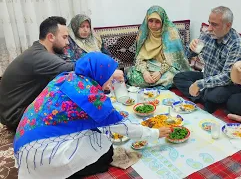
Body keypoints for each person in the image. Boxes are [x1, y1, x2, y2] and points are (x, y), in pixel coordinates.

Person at [13, 52, 172, 179]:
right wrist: (155, 133)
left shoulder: (67, 78)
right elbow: (123, 127)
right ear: (99, 75)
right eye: (109, 80)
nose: (110, 85)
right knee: (106, 151)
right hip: (41, 157)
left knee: (96, 132)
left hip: (23, 143)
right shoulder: (90, 96)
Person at [0, 16, 74, 131]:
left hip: (11, 112)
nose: (67, 42)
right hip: (16, 116)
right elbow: (71, 68)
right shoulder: (40, 56)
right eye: (64, 37)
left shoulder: (38, 51)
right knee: (72, 110)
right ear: (51, 37)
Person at [173, 6, 241, 113]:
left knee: (214, 94)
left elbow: (228, 77)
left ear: (228, 25)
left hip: (229, 85)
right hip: (208, 76)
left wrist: (199, 84)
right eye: (209, 23)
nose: (209, 28)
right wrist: (190, 48)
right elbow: (186, 56)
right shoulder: (208, 34)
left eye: (214, 24)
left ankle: (204, 97)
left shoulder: (237, 44)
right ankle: (204, 99)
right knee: (178, 78)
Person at [127, 5, 191, 89]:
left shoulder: (171, 33)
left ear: (162, 22)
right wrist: (145, 72)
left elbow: (174, 60)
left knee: (173, 77)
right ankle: (158, 85)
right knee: (132, 76)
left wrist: (160, 72)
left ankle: (153, 85)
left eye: (157, 21)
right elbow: (139, 58)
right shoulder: (144, 34)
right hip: (148, 66)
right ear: (147, 20)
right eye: (151, 21)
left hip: (166, 68)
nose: (153, 25)